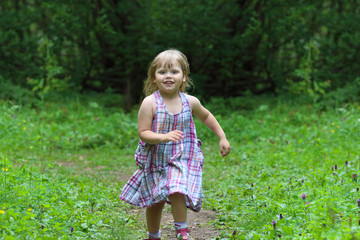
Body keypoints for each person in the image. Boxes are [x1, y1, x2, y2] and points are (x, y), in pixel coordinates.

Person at [119, 49, 231, 240]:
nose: (168, 76)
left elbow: (206, 116)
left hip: (181, 157)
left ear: (184, 77)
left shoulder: (190, 101)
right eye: (162, 72)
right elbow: (143, 133)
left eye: (174, 72)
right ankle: (153, 235)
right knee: (156, 201)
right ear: (154, 78)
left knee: (177, 187)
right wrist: (163, 137)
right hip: (156, 159)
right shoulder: (150, 103)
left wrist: (222, 136)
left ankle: (182, 231)